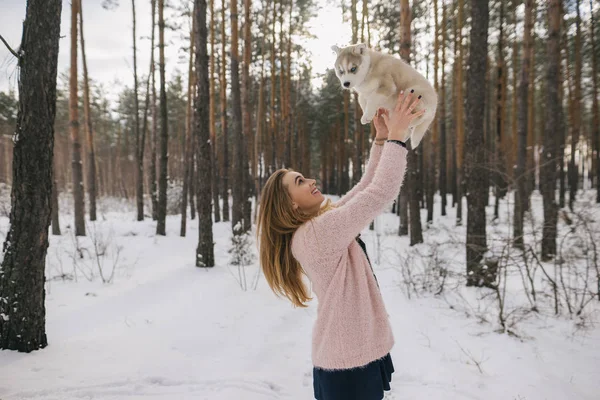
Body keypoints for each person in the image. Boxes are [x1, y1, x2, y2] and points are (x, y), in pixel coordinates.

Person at [257, 90, 425, 400]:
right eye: (299, 182)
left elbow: (364, 189)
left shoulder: (319, 227)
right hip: (348, 366)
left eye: (304, 176)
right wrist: (398, 139)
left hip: (353, 354)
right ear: (291, 205)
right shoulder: (319, 234)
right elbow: (378, 194)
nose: (310, 181)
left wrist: (381, 140)